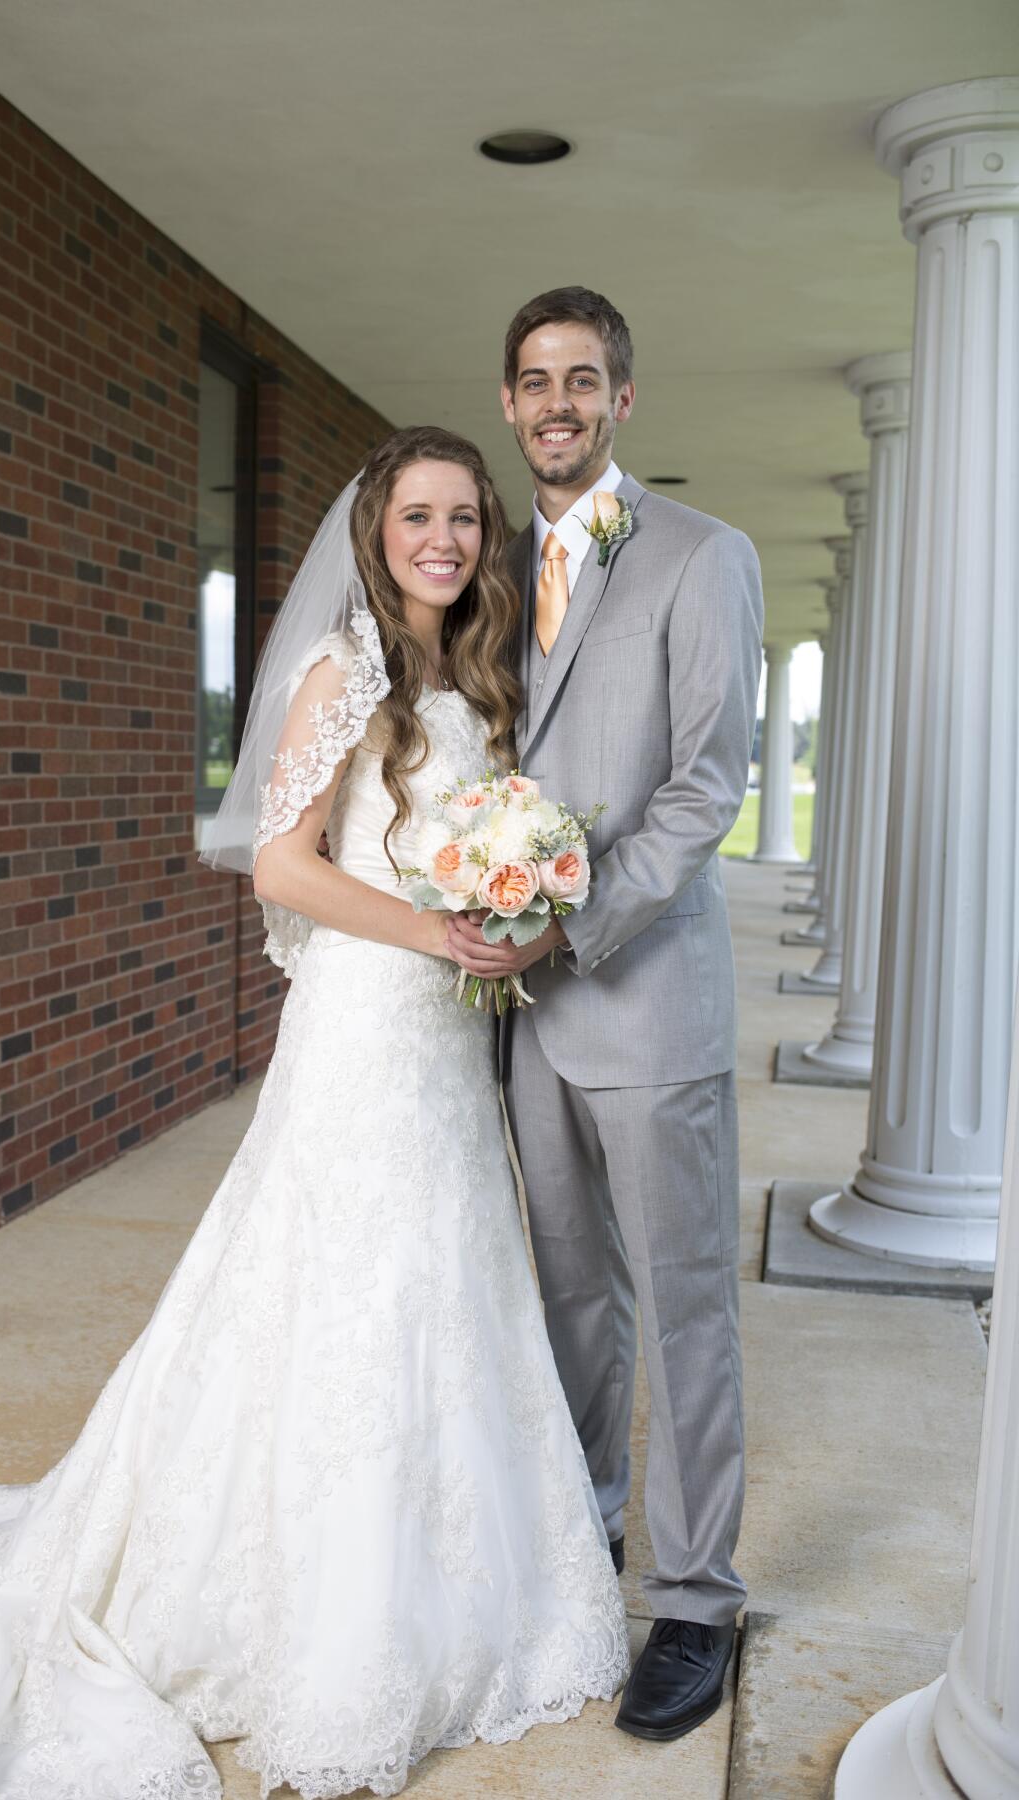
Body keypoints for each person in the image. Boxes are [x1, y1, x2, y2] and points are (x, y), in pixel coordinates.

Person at [0, 425, 626, 1800]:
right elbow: (283, 867)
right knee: (339, 1285)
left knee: (439, 1278)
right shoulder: (342, 671)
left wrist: (514, 910)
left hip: (444, 1037)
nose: (443, 539)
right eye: (418, 516)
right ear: (375, 534)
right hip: (371, 1024)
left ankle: (451, 1582)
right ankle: (317, 1614)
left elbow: (476, 856)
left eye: (465, 520)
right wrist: (440, 937)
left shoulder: (476, 678)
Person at [446, 288, 764, 1743]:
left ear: (622, 401)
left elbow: (708, 779)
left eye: (584, 380)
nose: (558, 403)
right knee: (574, 1292)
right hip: (523, 1022)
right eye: (534, 382)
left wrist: (576, 917)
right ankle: (589, 1545)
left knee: (686, 1295)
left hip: (643, 995)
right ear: (510, 408)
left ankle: (696, 1598)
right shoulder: (491, 571)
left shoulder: (706, 559)